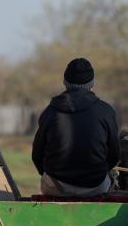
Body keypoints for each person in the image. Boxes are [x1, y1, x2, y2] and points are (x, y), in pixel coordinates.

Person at [32, 57, 120, 198]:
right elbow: (114, 155)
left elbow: (37, 155)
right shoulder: (106, 111)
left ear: (65, 82)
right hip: (96, 186)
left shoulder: (50, 111)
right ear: (92, 83)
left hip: (56, 186)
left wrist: (52, 174)